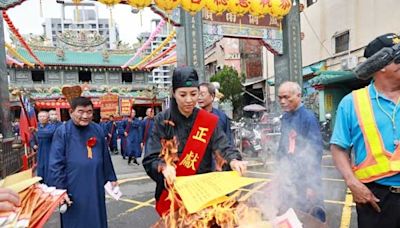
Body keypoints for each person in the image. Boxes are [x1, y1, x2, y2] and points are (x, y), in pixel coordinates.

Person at [143, 66, 247, 216]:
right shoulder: (163, 120)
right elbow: (150, 158)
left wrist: (234, 160)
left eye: (193, 94)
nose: (189, 100)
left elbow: (223, 146)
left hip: (203, 195)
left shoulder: (207, 120)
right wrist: (163, 167)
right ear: (173, 93)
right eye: (183, 95)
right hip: (174, 197)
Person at [331, 33, 400, 228]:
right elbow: (338, 148)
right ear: (382, 66)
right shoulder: (351, 103)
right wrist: (352, 183)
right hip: (375, 199)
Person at [47, 96, 117, 228]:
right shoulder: (63, 132)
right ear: (71, 112)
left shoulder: (97, 129)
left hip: (95, 183)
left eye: (89, 112)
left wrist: (111, 177)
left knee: (97, 217)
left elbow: (105, 156)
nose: (85, 116)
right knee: (75, 221)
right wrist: (60, 189)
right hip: (74, 185)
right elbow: (56, 163)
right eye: (80, 112)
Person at [275, 81, 325, 222]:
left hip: (305, 179)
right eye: (280, 98)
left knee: (310, 217)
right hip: (290, 177)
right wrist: (279, 173)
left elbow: (315, 153)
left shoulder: (308, 118)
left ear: (298, 95)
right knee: (290, 215)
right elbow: (282, 147)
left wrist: (311, 185)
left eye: (286, 97)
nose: (282, 101)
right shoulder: (286, 117)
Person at [33, 111, 57, 184]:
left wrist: (36, 131)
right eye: (40, 116)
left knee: (48, 166)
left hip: (49, 150)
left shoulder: (52, 126)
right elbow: (31, 138)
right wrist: (33, 145)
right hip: (40, 150)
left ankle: (49, 183)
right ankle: (41, 181)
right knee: (40, 166)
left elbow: (49, 133)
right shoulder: (36, 126)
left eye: (44, 116)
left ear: (48, 118)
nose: (42, 118)